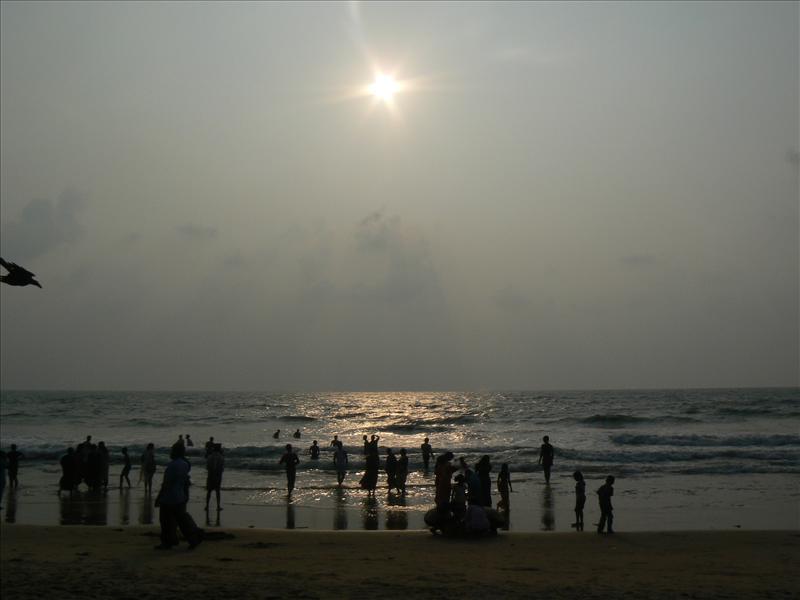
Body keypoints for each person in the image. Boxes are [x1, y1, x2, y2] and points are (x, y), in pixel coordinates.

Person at [154, 444, 203, 550]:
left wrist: (159, 497)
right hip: (180, 496)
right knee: (182, 521)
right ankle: (193, 539)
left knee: (166, 521)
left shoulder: (172, 465)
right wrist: (186, 494)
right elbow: (186, 481)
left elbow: (166, 484)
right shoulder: (185, 464)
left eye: (172, 451)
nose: (170, 453)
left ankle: (168, 542)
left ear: (175, 452)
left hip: (169, 498)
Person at [205, 443, 224, 512]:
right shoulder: (221, 457)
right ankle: (218, 506)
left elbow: (207, 467)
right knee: (217, 491)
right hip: (218, 476)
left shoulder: (210, 457)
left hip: (210, 475)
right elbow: (221, 468)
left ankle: (207, 506)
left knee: (209, 491)